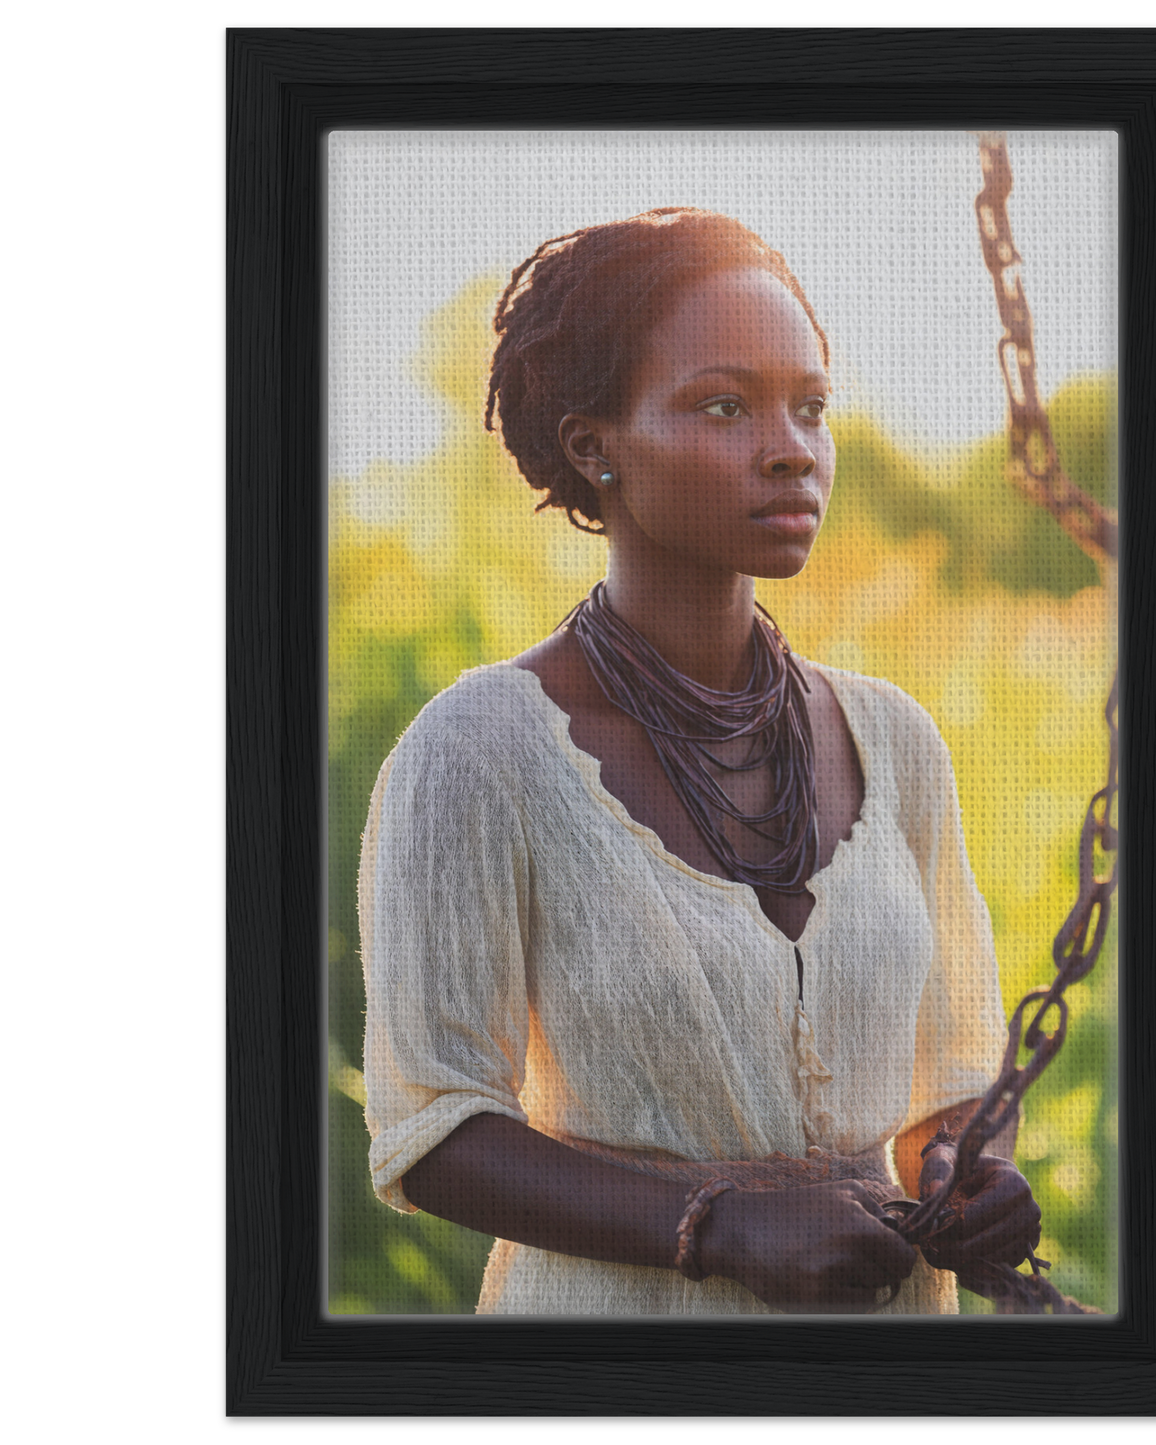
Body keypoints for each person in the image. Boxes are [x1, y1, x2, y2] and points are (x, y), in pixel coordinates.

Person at [358, 208, 1041, 1315]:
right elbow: (435, 1128)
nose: (790, 446)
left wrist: (967, 1171)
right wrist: (716, 1227)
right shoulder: (478, 749)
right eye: (723, 405)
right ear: (594, 445)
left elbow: (951, 1082)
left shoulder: (893, 739)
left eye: (807, 407)